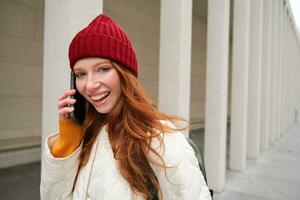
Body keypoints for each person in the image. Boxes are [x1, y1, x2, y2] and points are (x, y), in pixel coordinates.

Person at [40, 13, 212, 200]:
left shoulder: (160, 138)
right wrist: (67, 142)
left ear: (126, 75)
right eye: (80, 74)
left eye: (103, 69)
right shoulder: (88, 133)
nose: (89, 85)